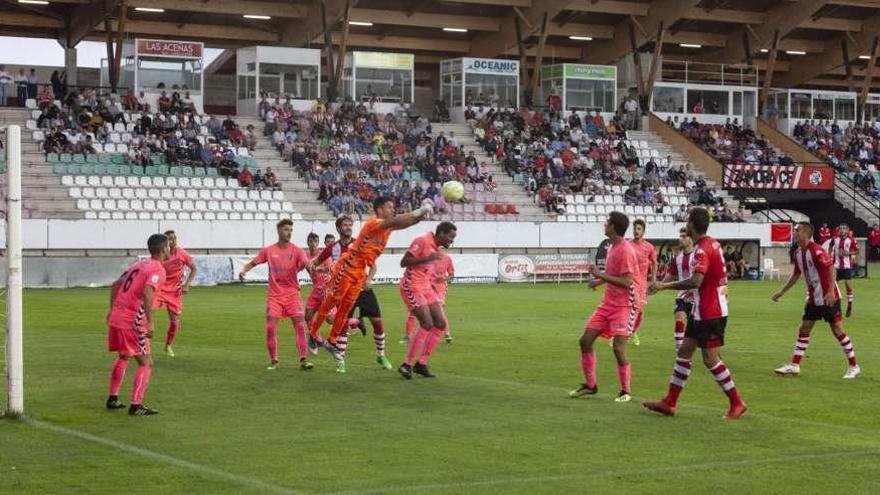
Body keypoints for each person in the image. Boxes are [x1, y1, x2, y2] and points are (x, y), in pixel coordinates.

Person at [306, 196, 435, 374]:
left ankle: (332, 341)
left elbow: (406, 222)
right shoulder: (373, 223)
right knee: (334, 300)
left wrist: (423, 212)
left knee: (346, 307)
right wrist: (421, 209)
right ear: (380, 210)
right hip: (347, 266)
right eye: (390, 207)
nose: (393, 210)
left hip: (360, 272)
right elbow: (399, 220)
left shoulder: (388, 228)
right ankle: (312, 334)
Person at [643, 207, 747, 420]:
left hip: (711, 311)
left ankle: (736, 402)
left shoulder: (701, 250)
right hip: (703, 309)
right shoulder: (712, 243)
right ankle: (670, 402)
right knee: (684, 352)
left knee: (710, 359)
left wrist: (664, 286)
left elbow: (696, 280)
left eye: (688, 221)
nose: (686, 225)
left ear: (692, 225)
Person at [771, 222, 860, 379]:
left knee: (837, 330)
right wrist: (781, 292)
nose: (794, 233)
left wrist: (831, 291)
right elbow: (796, 274)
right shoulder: (799, 253)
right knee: (804, 328)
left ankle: (854, 366)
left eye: (797, 230)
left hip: (828, 297)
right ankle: (794, 365)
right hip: (813, 298)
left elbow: (831, 268)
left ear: (805, 233)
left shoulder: (816, 250)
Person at [569, 211, 639, 403]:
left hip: (623, 306)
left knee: (618, 348)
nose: (604, 225)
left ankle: (626, 391)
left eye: (607, 222)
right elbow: (612, 274)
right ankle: (591, 385)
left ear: (613, 227)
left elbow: (626, 282)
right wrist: (598, 281)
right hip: (607, 304)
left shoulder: (625, 250)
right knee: (585, 340)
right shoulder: (612, 247)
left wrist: (600, 275)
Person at [305, 215, 385, 366]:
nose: (348, 227)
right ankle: (336, 349)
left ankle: (380, 352)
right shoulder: (333, 247)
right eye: (345, 225)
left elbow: (373, 265)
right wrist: (312, 264)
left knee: (377, 321)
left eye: (350, 224)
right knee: (335, 318)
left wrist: (368, 280)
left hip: (361, 287)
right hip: (341, 288)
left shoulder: (359, 244)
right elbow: (316, 261)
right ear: (338, 228)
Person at [105, 233, 169, 416]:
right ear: (163, 249)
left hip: (117, 317)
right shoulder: (157, 268)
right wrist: (150, 322)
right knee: (146, 362)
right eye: (168, 246)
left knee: (124, 356)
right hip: (132, 321)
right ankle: (136, 405)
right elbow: (148, 292)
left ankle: (113, 398)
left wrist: (112, 309)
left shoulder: (138, 264)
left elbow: (116, 284)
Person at [238, 219, 313, 371]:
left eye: (291, 230)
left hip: (292, 294)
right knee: (271, 327)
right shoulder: (269, 250)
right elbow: (252, 263)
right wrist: (243, 271)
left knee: (299, 325)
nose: (289, 233)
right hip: (275, 296)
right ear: (279, 231)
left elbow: (307, 264)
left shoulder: (297, 251)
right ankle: (274, 361)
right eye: (286, 230)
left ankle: (304, 360)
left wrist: (314, 275)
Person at [398, 222, 458, 379]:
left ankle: (422, 363)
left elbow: (427, 270)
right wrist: (426, 258)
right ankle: (407, 364)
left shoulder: (437, 248)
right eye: (450, 237)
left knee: (440, 323)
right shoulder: (422, 241)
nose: (451, 241)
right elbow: (404, 262)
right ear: (442, 233)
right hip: (411, 287)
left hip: (425, 287)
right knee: (427, 324)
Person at [153, 230, 197, 358]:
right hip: (160, 288)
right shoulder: (161, 255)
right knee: (147, 312)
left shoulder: (181, 253)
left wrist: (187, 284)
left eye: (174, 239)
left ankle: (168, 345)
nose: (173, 241)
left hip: (175, 291)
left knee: (174, 322)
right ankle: (141, 342)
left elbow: (194, 268)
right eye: (170, 239)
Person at [627, 218, 657, 347]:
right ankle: (619, 334)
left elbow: (655, 263)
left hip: (642, 285)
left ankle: (632, 332)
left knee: (639, 312)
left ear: (643, 231)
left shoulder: (649, 247)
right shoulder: (627, 245)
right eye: (634, 228)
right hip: (628, 282)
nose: (636, 231)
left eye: (638, 229)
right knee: (627, 309)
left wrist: (653, 280)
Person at [304, 232, 335, 330]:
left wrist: (319, 269)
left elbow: (332, 270)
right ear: (308, 243)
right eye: (311, 241)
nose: (313, 243)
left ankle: (349, 321)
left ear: (318, 243)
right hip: (316, 290)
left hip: (326, 289)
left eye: (315, 241)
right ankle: (314, 337)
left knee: (330, 319)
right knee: (308, 316)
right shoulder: (305, 256)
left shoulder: (323, 255)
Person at [828, 223, 858, 317]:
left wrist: (848, 253)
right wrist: (829, 255)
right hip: (836, 267)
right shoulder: (835, 239)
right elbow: (830, 246)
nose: (842, 230)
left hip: (846, 267)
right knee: (833, 288)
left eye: (844, 228)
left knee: (848, 287)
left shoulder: (851, 240)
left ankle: (849, 305)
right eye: (840, 228)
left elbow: (857, 251)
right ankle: (837, 309)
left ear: (847, 230)